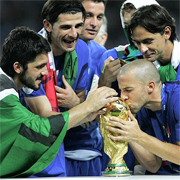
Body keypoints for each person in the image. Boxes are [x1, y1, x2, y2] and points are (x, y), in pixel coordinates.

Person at [0, 26, 118, 178]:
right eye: (39, 67)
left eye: (46, 65)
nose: (45, 72)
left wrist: (86, 116)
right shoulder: (3, 94)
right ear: (17, 67)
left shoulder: (8, 86)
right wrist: (87, 105)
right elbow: (38, 129)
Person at [19, 0, 95, 177]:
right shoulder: (29, 55)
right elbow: (45, 117)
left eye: (78, 26)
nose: (74, 34)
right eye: (66, 27)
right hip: (28, 146)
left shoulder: (82, 50)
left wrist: (76, 103)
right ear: (47, 25)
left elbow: (80, 100)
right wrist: (88, 108)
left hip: (60, 148)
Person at [90, 0, 159, 173]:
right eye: (128, 26)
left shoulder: (167, 58)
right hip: (123, 143)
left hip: (160, 137)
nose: (133, 33)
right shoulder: (112, 57)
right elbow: (93, 112)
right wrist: (105, 80)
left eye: (138, 25)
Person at [106, 59, 180, 175]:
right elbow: (153, 165)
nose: (122, 97)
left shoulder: (178, 99)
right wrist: (129, 135)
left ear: (150, 86)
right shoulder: (143, 109)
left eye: (128, 90)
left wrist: (139, 136)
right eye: (121, 91)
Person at [64, 0, 109, 176]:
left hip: (92, 153)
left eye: (99, 17)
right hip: (57, 153)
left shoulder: (102, 55)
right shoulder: (49, 51)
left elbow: (98, 114)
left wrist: (75, 102)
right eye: (88, 15)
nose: (94, 23)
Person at [128, 4, 180, 82]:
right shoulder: (135, 66)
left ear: (167, 33)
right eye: (137, 43)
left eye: (148, 41)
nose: (142, 50)